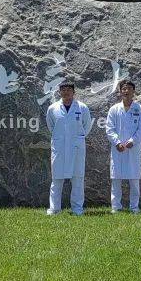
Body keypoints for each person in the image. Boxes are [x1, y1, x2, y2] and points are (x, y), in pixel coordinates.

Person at [44, 79, 92, 215]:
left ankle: (77, 209)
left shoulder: (82, 107)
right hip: (59, 148)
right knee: (56, 179)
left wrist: (78, 138)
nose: (66, 93)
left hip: (76, 147)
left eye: (68, 90)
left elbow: (87, 126)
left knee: (77, 179)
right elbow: (51, 126)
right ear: (59, 92)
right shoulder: (52, 108)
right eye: (63, 90)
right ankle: (54, 209)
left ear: (73, 92)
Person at [106, 79, 141, 213]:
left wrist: (132, 141)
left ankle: (134, 207)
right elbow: (109, 128)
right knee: (116, 179)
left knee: (134, 179)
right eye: (124, 88)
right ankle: (116, 207)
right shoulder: (114, 109)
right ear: (120, 91)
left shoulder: (140, 109)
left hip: (132, 148)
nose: (126, 91)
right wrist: (117, 142)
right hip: (117, 148)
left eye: (129, 88)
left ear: (133, 91)